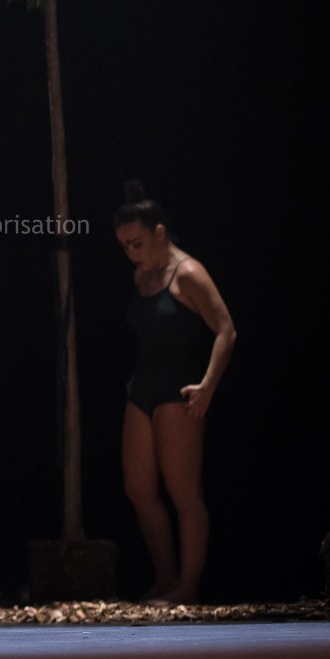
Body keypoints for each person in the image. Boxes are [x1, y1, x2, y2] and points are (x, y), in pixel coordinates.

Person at [113, 181, 237, 604]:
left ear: (160, 232)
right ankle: (165, 577)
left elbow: (226, 331)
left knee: (183, 492)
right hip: (143, 388)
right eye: (124, 246)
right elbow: (149, 333)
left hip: (178, 391)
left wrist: (208, 387)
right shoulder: (142, 274)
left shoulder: (188, 273)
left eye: (137, 243)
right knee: (139, 489)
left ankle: (188, 585)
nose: (131, 253)